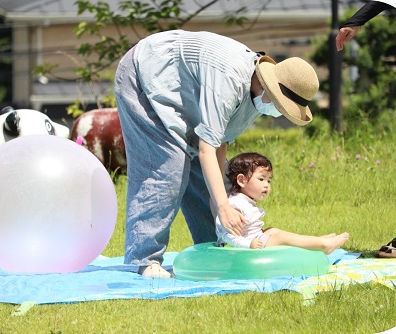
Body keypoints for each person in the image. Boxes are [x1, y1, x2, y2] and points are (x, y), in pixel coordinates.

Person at [114, 29, 320, 278]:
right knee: (169, 166)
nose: (279, 113)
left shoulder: (255, 97)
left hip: (180, 92)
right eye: (281, 107)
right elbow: (205, 149)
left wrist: (221, 203)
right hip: (145, 74)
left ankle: (216, 246)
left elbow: (218, 142)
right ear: (270, 91)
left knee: (211, 181)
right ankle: (143, 260)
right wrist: (222, 206)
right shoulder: (230, 81)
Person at [216, 152, 349, 254]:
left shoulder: (243, 200)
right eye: (261, 179)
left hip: (251, 240)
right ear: (241, 180)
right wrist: (249, 244)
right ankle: (323, 246)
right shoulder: (235, 205)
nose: (266, 185)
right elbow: (227, 236)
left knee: (273, 230)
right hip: (237, 248)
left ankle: (317, 241)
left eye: (269, 181)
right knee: (280, 237)